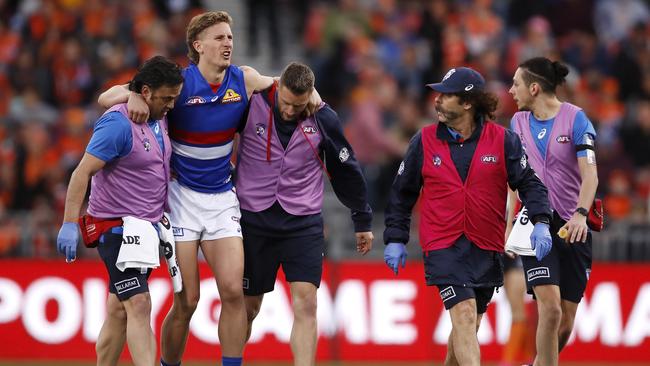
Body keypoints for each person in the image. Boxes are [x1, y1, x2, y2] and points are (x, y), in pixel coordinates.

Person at [97, 11, 319, 366]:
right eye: (219, 38)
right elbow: (106, 96)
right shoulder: (179, 85)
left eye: (230, 37)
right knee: (187, 299)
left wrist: (314, 92)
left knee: (233, 292)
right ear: (197, 46)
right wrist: (133, 97)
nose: (228, 43)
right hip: (181, 199)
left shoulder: (244, 80)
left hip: (221, 200)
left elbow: (284, 82)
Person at [383, 67, 552, 366]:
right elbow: (401, 194)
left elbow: (529, 183)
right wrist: (395, 238)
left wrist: (541, 221)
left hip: (486, 246)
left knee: (468, 327)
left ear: (467, 103)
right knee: (462, 315)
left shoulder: (503, 140)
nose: (437, 100)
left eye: (446, 95)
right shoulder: (422, 141)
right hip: (443, 244)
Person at [238, 62, 374, 366]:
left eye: (298, 106)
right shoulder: (252, 102)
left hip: (302, 223)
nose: (289, 111)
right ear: (277, 88)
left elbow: (346, 170)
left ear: (309, 97)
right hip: (253, 220)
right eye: (285, 102)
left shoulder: (323, 117)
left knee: (307, 303)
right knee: (248, 308)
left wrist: (362, 219)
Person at [56, 55, 183, 366]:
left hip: (146, 230)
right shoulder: (118, 123)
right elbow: (81, 173)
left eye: (174, 98)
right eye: (166, 98)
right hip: (116, 228)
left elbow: (113, 92)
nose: (171, 105)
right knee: (139, 304)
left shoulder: (158, 116)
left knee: (118, 310)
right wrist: (69, 222)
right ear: (147, 92)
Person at [508, 57, 599, 366]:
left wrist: (581, 214)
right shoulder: (517, 124)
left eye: (516, 84)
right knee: (551, 308)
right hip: (536, 225)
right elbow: (513, 179)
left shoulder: (576, 119)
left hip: (574, 227)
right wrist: (509, 224)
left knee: (566, 321)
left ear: (534, 88)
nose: (511, 90)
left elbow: (591, 175)